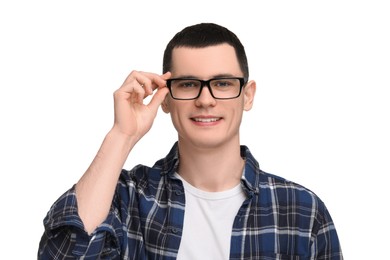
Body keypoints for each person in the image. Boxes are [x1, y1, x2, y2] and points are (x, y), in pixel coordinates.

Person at [38, 23, 343, 259]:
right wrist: (122, 135)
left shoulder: (301, 210)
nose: (206, 100)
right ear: (166, 98)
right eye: (188, 84)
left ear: (247, 95)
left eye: (222, 83)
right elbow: (62, 254)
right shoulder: (127, 199)